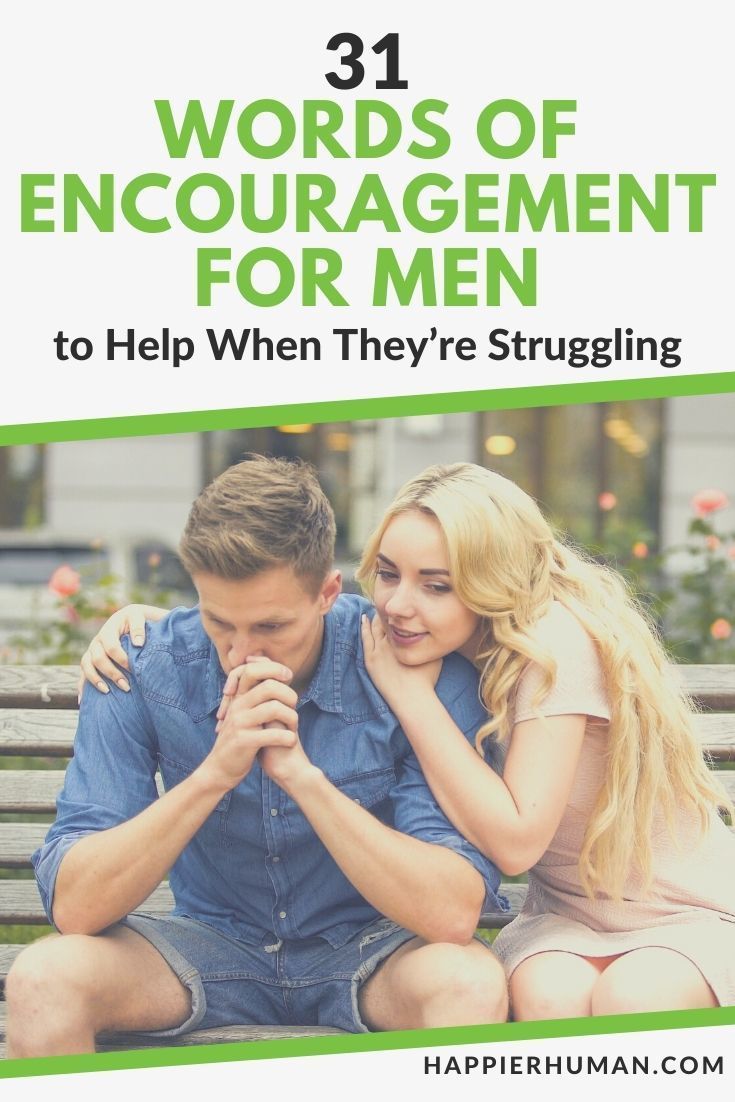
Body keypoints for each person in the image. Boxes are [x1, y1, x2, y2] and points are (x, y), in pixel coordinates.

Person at [84, 462, 735, 1021]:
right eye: (389, 574)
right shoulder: (457, 647)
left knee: (633, 998)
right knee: (547, 1000)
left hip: (679, 910)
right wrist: (151, 622)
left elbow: (513, 840)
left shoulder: (554, 642)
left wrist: (410, 697)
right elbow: (255, 614)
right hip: (568, 915)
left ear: (492, 579)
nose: (396, 604)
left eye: (436, 584)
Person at [5, 457, 508, 1058]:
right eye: (220, 621)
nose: (241, 653)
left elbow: (452, 913)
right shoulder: (143, 663)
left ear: (327, 593)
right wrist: (214, 774)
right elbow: (76, 906)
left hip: (373, 948)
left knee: (468, 983)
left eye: (272, 625)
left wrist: (303, 778)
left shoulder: (410, 667)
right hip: (208, 943)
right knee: (45, 979)